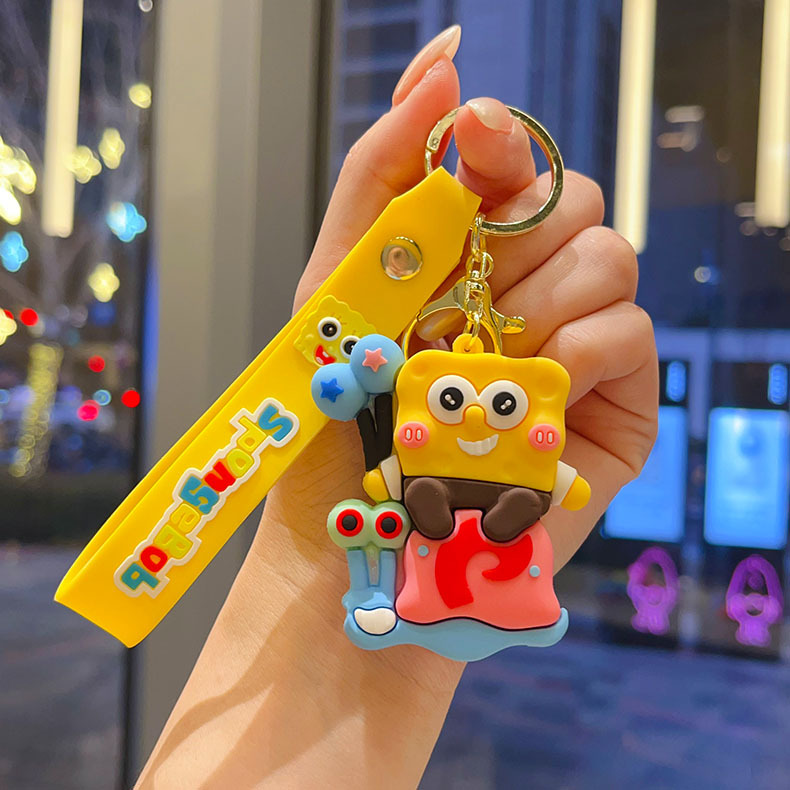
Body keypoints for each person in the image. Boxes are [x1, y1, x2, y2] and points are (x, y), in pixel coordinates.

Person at [136, 25, 657, 789]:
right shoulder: (399, 439)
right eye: (454, 403)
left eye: (496, 409)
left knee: (492, 527)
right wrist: (317, 579)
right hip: (422, 537)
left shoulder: (488, 436)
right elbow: (384, 482)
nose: (473, 419)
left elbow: (552, 488)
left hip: (480, 541)